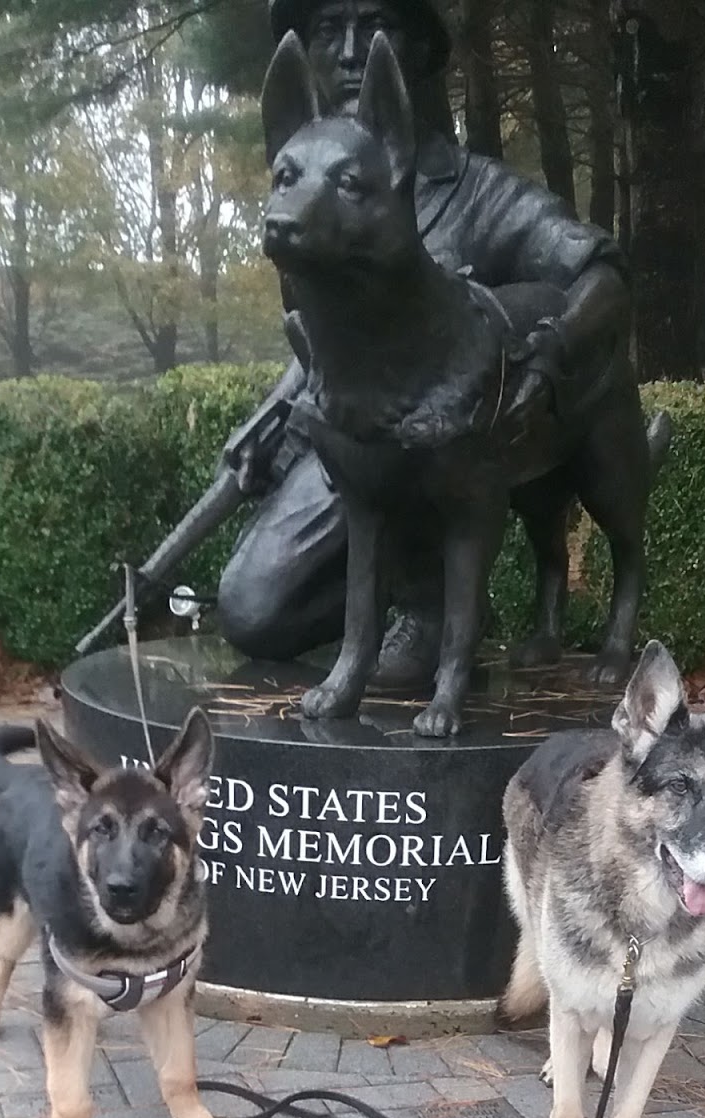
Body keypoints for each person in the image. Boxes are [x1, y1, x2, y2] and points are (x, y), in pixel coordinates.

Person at [216, 0, 633, 681]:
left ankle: (436, 599)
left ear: (423, 50)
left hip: (437, 445)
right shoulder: (302, 184)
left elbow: (603, 271)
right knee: (249, 611)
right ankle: (393, 598)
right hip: (349, 437)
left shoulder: (485, 193)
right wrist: (280, 423)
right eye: (329, 31)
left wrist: (551, 350)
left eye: (374, 26)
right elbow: (329, 339)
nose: (350, 52)